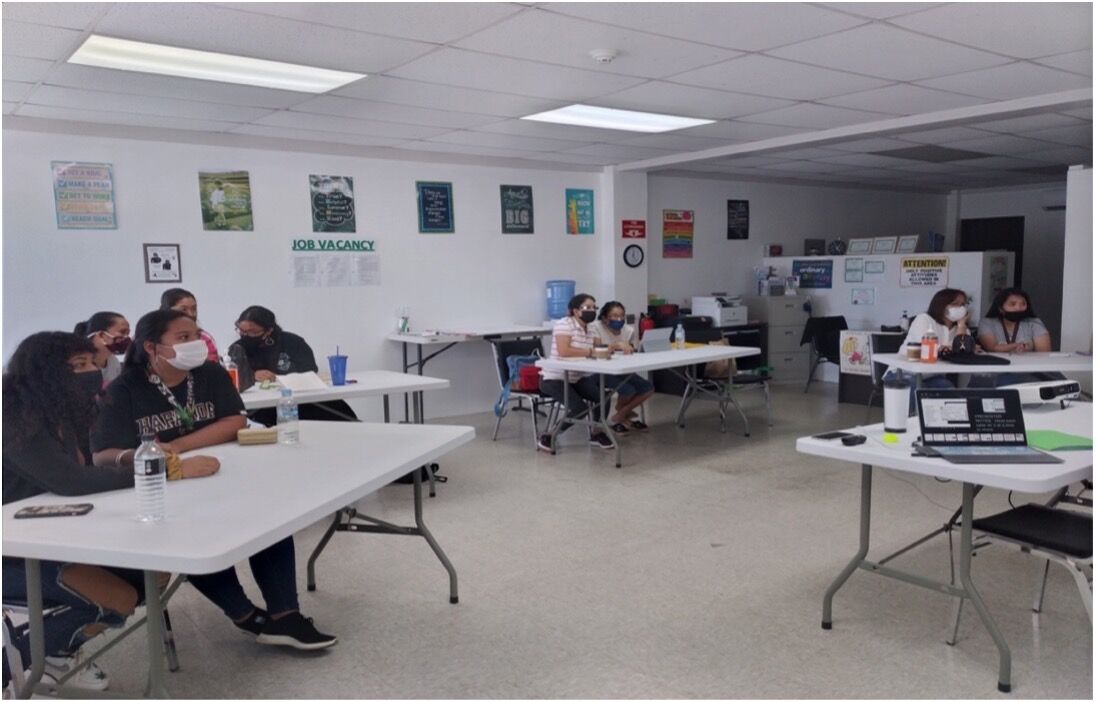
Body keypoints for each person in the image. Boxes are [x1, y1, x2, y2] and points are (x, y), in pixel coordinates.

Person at [90, 310, 337, 651]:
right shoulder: (125, 388)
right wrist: (160, 461)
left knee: (269, 521)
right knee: (196, 541)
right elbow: (103, 455)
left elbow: (235, 420)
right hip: (160, 489)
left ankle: (285, 616)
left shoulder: (209, 374)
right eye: (183, 338)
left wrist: (178, 446)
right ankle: (246, 616)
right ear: (151, 347)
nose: (195, 344)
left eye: (196, 335)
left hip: (219, 474)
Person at [1, 332, 213, 690]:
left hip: (58, 531)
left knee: (154, 576)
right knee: (119, 598)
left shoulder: (61, 410)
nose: (91, 372)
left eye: (92, 364)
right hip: (14, 547)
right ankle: (18, 664)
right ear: (46, 372)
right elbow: (71, 481)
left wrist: (138, 463)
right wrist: (165, 470)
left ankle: (54, 653)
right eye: (78, 366)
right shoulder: (14, 416)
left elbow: (85, 474)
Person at [227, 305, 357, 424]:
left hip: (302, 401)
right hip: (263, 407)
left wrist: (279, 377)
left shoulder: (293, 342)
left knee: (340, 415)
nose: (245, 336)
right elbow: (232, 379)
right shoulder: (237, 349)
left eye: (253, 332)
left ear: (268, 330)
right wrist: (253, 375)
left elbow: (310, 371)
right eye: (242, 331)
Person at [537, 294, 614, 452]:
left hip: (576, 377)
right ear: (575, 310)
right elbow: (564, 351)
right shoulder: (564, 324)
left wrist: (617, 347)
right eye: (587, 307)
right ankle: (551, 435)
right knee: (579, 407)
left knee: (604, 397)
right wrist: (592, 352)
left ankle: (596, 433)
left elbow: (600, 349)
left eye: (594, 307)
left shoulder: (592, 328)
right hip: (554, 378)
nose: (592, 310)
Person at [889, 288, 973, 391]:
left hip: (932, 376)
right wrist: (954, 349)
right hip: (903, 372)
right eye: (955, 304)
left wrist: (961, 325)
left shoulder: (962, 329)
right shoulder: (924, 319)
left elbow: (962, 353)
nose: (961, 308)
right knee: (918, 391)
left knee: (950, 393)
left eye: (963, 304)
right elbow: (930, 348)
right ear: (942, 305)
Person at [976, 287, 1062, 386]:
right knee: (1007, 381)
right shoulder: (987, 322)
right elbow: (992, 348)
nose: (1018, 308)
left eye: (1023, 304)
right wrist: (1017, 345)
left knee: (1058, 383)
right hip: (996, 370)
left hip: (1029, 369)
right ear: (1000, 308)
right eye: (1012, 304)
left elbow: (1044, 354)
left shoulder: (1034, 322)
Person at [588, 301, 653, 432]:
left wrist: (631, 349)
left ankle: (621, 413)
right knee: (628, 389)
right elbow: (596, 350)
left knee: (648, 388)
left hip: (620, 369)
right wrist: (616, 345)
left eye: (622, 316)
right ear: (605, 318)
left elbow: (632, 349)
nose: (619, 319)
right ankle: (623, 417)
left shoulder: (628, 330)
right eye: (614, 316)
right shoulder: (595, 327)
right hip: (599, 371)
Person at [160, 287, 219, 362]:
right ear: (167, 311)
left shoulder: (204, 337)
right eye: (184, 309)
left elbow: (214, 367)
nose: (191, 314)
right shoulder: (156, 337)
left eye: (194, 309)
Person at [73, 312, 129, 387]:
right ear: (101, 335)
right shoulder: (77, 362)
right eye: (122, 332)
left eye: (127, 334)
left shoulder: (113, 362)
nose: (126, 338)